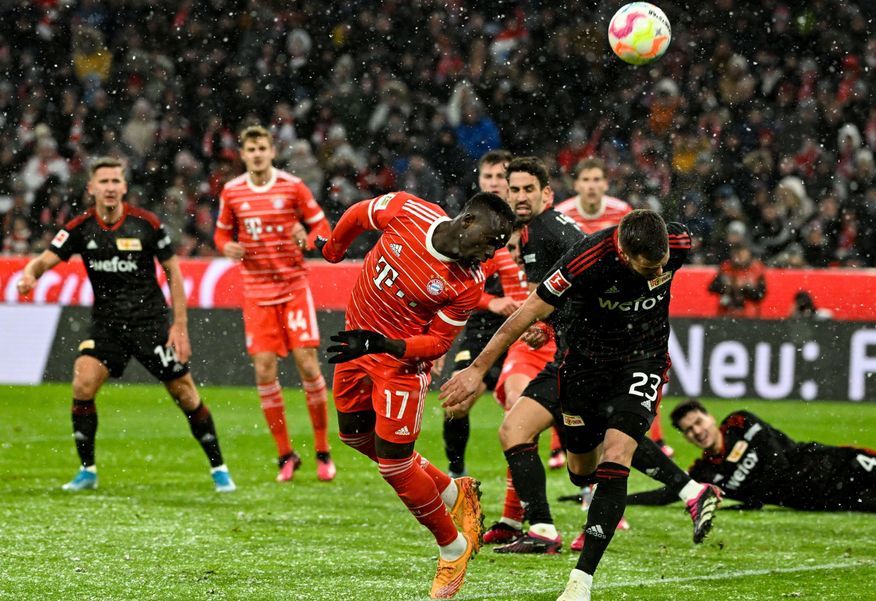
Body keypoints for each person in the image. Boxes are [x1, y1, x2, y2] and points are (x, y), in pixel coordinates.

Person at [442, 210, 720, 601]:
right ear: (623, 251)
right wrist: (476, 369)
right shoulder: (585, 259)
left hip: (644, 360)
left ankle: (580, 582)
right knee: (581, 471)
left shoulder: (677, 243)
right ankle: (687, 488)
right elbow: (525, 314)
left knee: (618, 454)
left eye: (660, 268)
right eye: (647, 268)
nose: (655, 274)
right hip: (583, 370)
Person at [318, 189, 515, 599]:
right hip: (357, 343)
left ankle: (453, 548)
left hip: (399, 366)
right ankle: (451, 490)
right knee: (353, 437)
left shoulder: (467, 282)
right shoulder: (408, 209)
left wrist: (379, 345)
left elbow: (437, 343)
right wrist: (334, 249)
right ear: (467, 223)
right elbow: (357, 214)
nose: (487, 257)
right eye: (487, 245)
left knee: (393, 467)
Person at [16, 157, 235, 494]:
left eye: (115, 181)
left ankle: (219, 468)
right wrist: (29, 276)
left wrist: (179, 325)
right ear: (91, 188)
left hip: (151, 323)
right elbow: (44, 261)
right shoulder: (79, 228)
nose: (109, 187)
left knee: (185, 395)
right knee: (82, 384)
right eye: (102, 181)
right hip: (108, 326)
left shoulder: (146, 224)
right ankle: (87, 470)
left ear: (124, 187)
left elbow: (174, 271)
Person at [461, 156, 586, 551]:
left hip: (560, 341)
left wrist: (542, 325)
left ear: (546, 193)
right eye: (507, 186)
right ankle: (521, 518)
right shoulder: (505, 226)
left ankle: (545, 525)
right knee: (525, 419)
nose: (514, 194)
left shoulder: (539, 231)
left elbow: (542, 300)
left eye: (522, 188)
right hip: (548, 334)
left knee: (581, 433)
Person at [214, 125, 336, 483]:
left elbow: (321, 228)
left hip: (293, 286)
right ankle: (285, 454)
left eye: (262, 148)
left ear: (271, 151)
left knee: (307, 365)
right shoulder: (232, 192)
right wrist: (226, 247)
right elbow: (222, 232)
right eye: (250, 149)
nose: (256, 154)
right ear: (243, 154)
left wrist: (307, 239)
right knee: (264, 371)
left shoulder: (292, 187)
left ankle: (322, 450)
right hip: (256, 292)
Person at [554, 157, 672, 461]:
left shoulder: (622, 212)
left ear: (605, 183)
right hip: (582, 305)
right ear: (576, 184)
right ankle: (561, 444)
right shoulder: (562, 214)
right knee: (568, 369)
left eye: (597, 180)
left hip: (620, 304)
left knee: (640, 370)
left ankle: (654, 440)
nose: (592, 186)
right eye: (586, 180)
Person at [639, 400, 876, 513]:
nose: (697, 431)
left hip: (836, 464)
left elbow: (777, 457)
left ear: (710, 418)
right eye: (689, 430)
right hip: (825, 501)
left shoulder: (740, 423)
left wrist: (754, 499)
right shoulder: (704, 472)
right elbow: (671, 492)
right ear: (686, 437)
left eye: (698, 422)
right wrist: (626, 501)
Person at [441, 149, 523, 479]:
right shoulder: (467, 226)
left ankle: (524, 487)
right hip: (481, 328)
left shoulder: (528, 224)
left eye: (500, 178)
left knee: (521, 407)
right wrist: (491, 303)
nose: (493, 183)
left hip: (523, 330)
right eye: (487, 177)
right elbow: (450, 287)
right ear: (478, 181)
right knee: (457, 403)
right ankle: (456, 473)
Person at [708, 243, 767, 318]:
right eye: (736, 254)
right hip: (726, 313)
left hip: (749, 314)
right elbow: (712, 287)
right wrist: (726, 287)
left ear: (748, 254)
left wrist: (746, 289)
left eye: (741, 255)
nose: (738, 258)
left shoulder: (756, 269)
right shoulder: (726, 267)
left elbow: (761, 294)